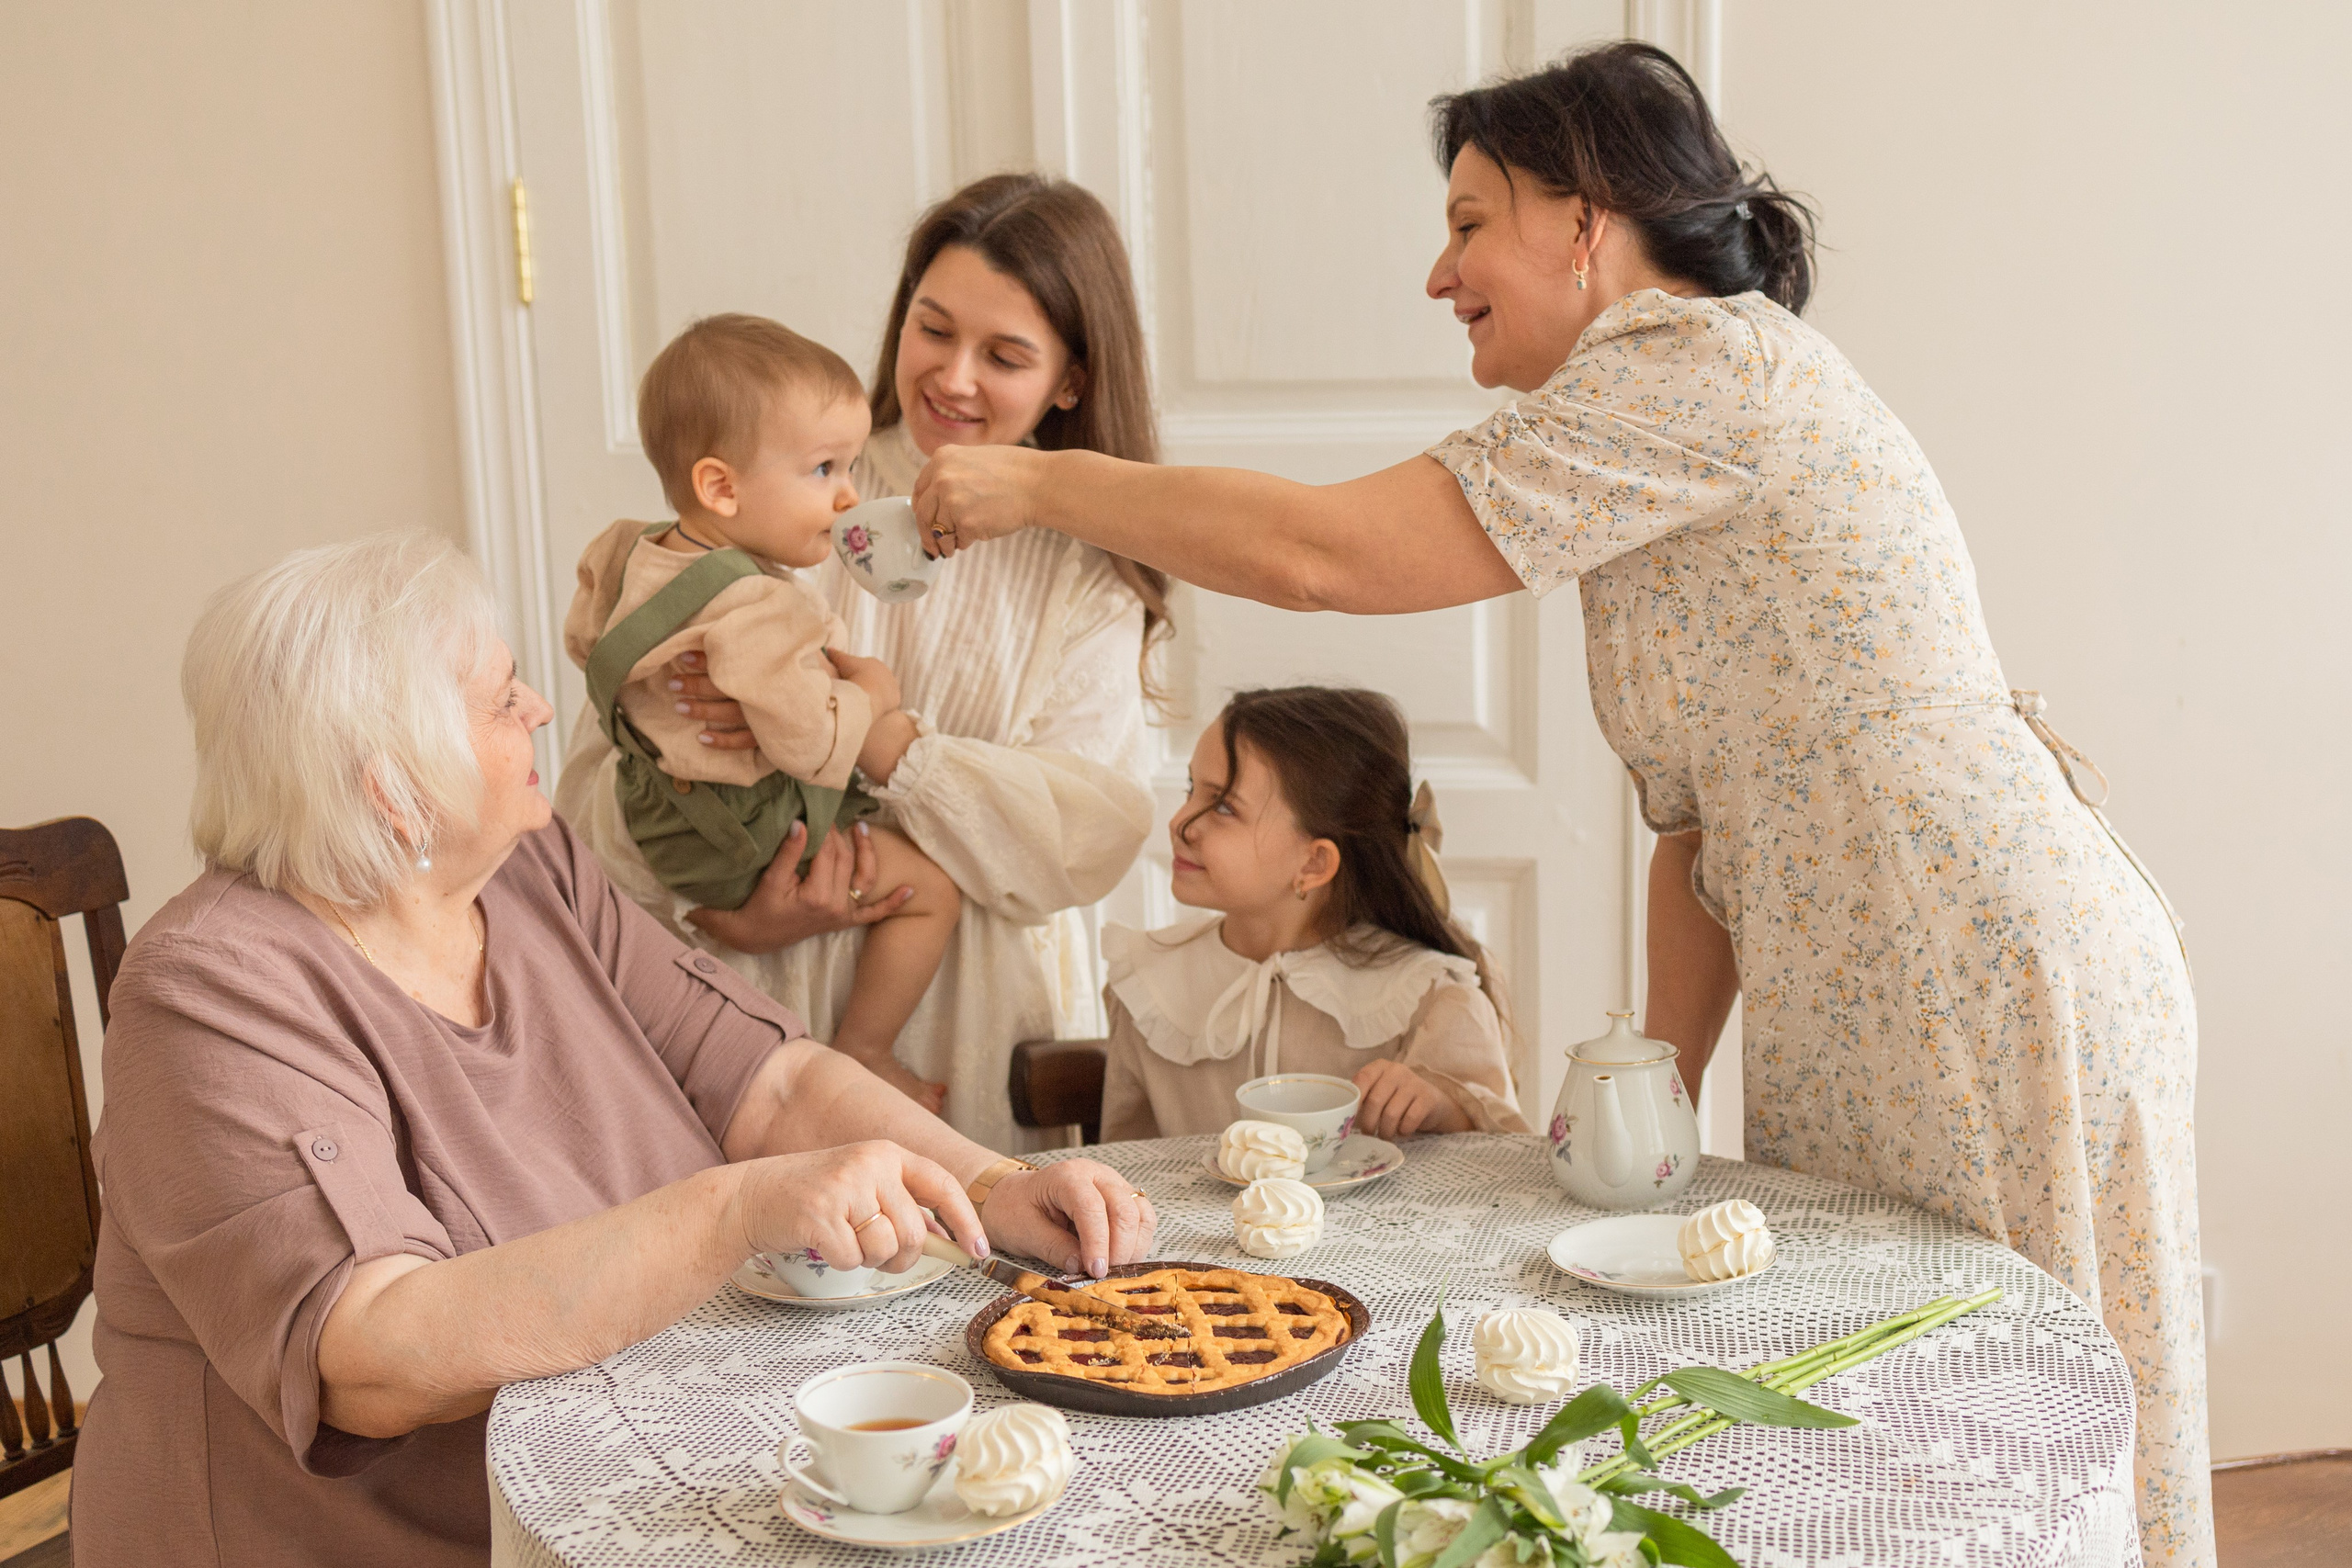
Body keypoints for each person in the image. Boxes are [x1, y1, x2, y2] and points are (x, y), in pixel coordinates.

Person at [912, 43, 2210, 1567]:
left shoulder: (1695, 362)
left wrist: (1043, 484)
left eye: (1470, 223)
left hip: (1964, 952)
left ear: (1584, 221)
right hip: (1871, 970)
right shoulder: (1637, 426)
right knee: (1892, 1415)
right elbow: (1694, 825)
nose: (1439, 273)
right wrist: (1652, 1098)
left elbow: (1323, 557)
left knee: (1986, 1417)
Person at [72, 534, 1154, 1568]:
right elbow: (370, 1355)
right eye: (503, 699)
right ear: (392, 788)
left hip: (644, 1471)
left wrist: (989, 1187)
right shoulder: (212, 992)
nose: (541, 708)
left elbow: (769, 1081)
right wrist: (734, 1210)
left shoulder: (528, 866)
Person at [560, 173, 1164, 1151]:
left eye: (1004, 355)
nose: (953, 377)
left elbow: (1082, 841)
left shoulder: (1086, 574)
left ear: (1071, 381)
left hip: (958, 1036)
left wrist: (889, 748)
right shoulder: (776, 484)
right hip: (742, 1020)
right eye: (933, 329)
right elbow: (597, 789)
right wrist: (716, 906)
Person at [564, 313, 956, 1105]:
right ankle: (866, 1052)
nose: (849, 494)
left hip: (658, 818)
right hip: (738, 834)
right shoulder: (766, 605)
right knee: (933, 891)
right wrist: (873, 692)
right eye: (823, 469)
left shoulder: (622, 547)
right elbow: (814, 745)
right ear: (722, 487)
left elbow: (583, 641)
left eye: (849, 465)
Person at [1100, 686, 1529, 1142]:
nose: (1180, 823)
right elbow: (1122, 1162)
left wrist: (1442, 1109)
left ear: (1314, 863)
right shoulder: (1148, 985)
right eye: (1191, 790)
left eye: (1224, 806)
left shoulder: (1431, 1000)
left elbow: (1507, 1165)